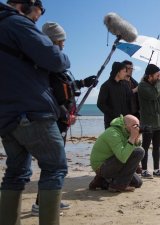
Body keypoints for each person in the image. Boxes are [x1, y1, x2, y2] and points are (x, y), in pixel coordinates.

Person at [0, 1, 70, 224]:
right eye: (37, 16)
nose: (36, 20)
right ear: (24, 5)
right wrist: (61, 54)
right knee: (55, 167)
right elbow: (56, 60)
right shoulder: (17, 23)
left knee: (16, 173)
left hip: (6, 116)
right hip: (31, 111)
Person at [27, 21, 97, 217]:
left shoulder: (53, 63)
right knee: (53, 164)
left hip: (61, 119)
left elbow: (63, 86)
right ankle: (41, 205)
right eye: (61, 40)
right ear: (52, 40)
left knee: (55, 163)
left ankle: (50, 199)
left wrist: (83, 82)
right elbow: (48, 93)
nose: (64, 44)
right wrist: (66, 115)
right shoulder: (44, 63)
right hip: (55, 120)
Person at [89, 115, 145, 192]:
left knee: (137, 183)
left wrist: (136, 137)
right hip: (102, 166)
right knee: (139, 151)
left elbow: (130, 152)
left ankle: (101, 181)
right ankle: (117, 186)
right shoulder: (113, 133)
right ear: (125, 125)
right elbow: (123, 157)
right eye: (134, 126)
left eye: (138, 125)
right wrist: (132, 137)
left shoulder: (125, 131)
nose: (137, 128)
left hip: (113, 163)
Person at [138, 64, 160, 178]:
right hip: (148, 122)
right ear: (150, 76)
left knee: (157, 147)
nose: (159, 77)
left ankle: (156, 169)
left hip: (159, 121)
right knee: (145, 147)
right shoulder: (142, 86)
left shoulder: (157, 84)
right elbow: (153, 95)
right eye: (157, 75)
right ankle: (144, 170)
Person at [97, 61, 133, 129]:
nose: (126, 73)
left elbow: (129, 98)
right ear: (118, 71)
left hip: (124, 122)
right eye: (124, 71)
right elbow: (100, 104)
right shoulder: (106, 85)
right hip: (111, 122)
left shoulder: (125, 85)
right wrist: (113, 114)